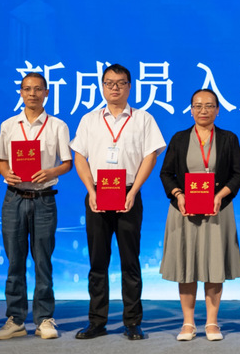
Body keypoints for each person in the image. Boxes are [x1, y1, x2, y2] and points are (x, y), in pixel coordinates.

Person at [70, 63, 165, 340]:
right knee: (97, 262)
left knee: (130, 261)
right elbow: (79, 156)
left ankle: (132, 322)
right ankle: (96, 322)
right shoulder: (89, 119)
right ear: (102, 86)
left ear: (129, 87)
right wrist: (91, 190)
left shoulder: (143, 118)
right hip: (98, 194)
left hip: (128, 194)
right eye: (109, 83)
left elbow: (150, 156)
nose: (115, 88)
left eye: (121, 83)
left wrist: (133, 192)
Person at [0, 72, 73, 340]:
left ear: (47, 93)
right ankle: (15, 320)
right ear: (21, 93)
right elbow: (0, 159)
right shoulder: (8, 125)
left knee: (43, 261)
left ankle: (44, 319)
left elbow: (67, 163)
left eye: (38, 89)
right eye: (27, 89)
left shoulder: (58, 126)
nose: (33, 94)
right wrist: (6, 173)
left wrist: (50, 172)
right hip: (14, 198)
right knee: (14, 261)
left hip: (43, 199)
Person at [159, 89, 240, 342]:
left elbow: (238, 175)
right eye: (197, 106)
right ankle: (188, 323)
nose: (203, 110)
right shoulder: (179, 138)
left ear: (218, 110)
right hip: (184, 212)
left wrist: (220, 196)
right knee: (186, 266)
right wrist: (178, 194)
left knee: (214, 265)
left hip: (218, 211)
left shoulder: (229, 138)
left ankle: (212, 322)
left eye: (209, 106)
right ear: (191, 110)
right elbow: (166, 174)